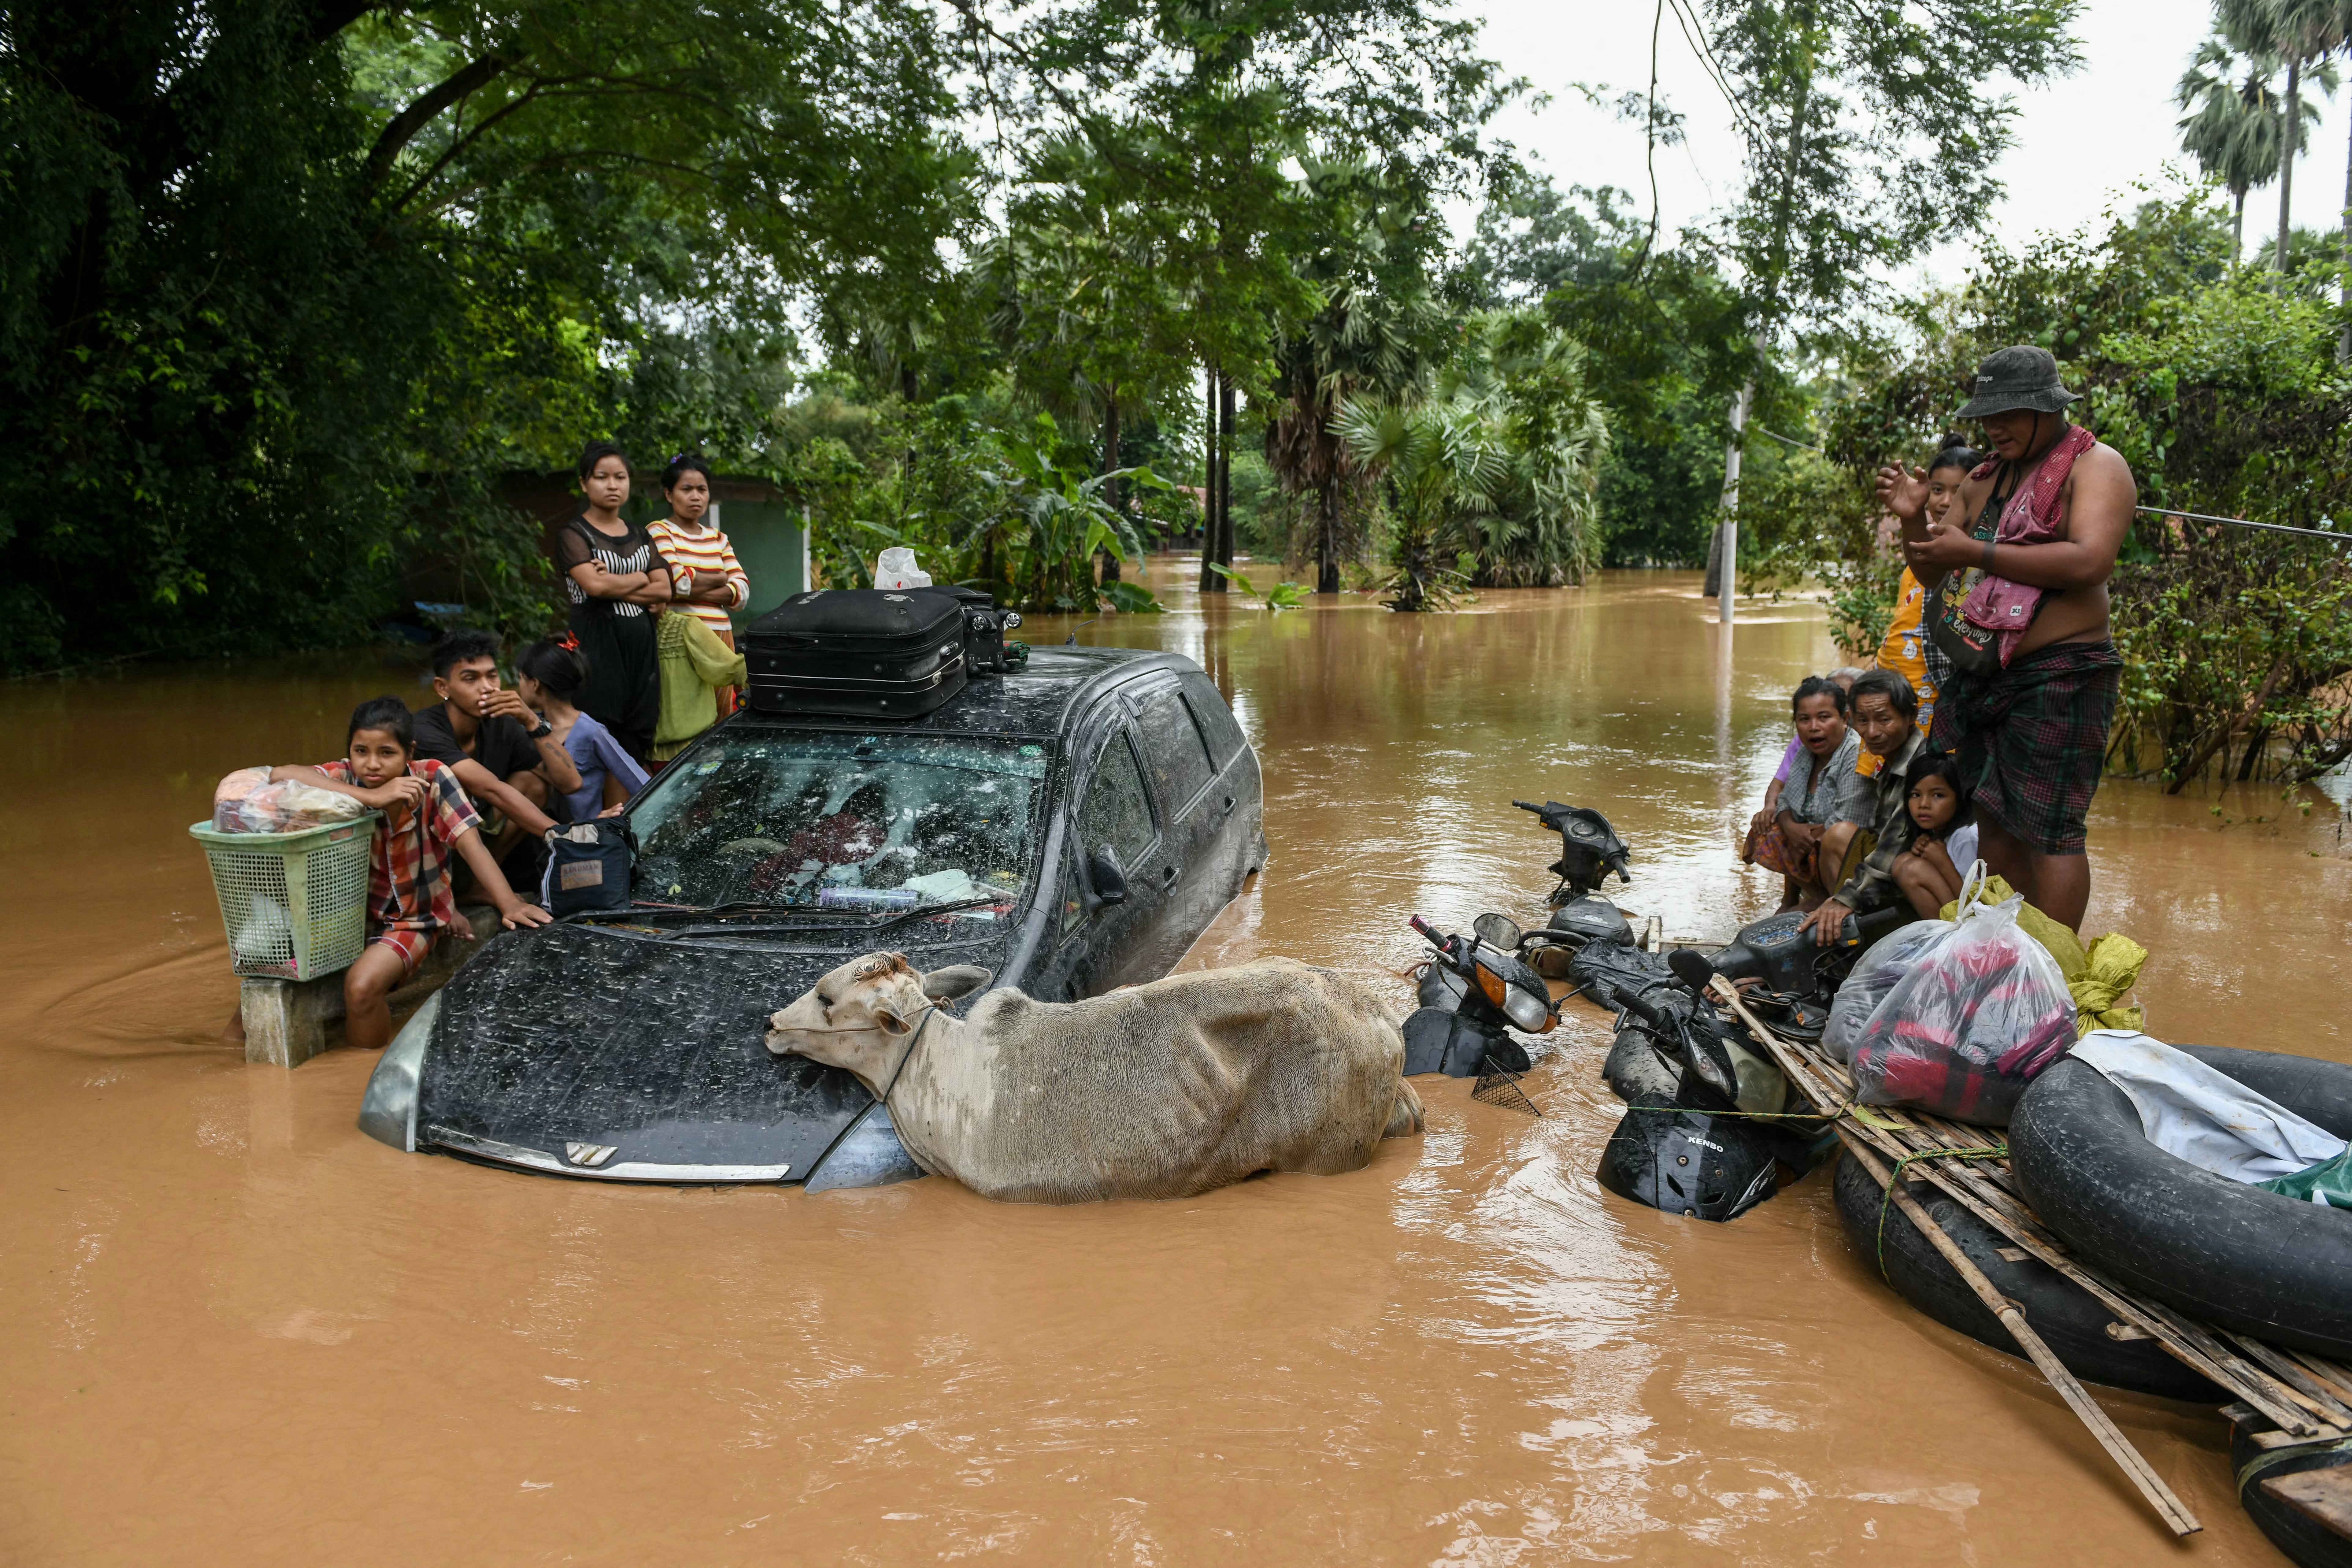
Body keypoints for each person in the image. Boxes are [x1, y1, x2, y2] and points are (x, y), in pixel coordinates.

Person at [1876, 345, 2135, 932]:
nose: (1995, 427)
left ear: (2049, 408)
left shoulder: (2096, 466)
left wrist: (1972, 550)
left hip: (2062, 672)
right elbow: (1934, 572)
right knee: (1993, 817)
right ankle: (2006, 951)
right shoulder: (1984, 478)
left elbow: (2090, 561)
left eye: (2011, 413)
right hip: (1987, 672)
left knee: (2052, 830)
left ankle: (2055, 968)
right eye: (1987, 416)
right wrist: (1915, 519)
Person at [269, 698, 551, 1050]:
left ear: (409, 753)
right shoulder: (349, 778)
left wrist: (509, 903)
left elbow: (471, 844)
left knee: (361, 988)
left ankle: (360, 1074)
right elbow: (280, 775)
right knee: (264, 984)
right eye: (361, 751)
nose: (372, 764)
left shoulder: (432, 777)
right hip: (352, 918)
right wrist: (369, 797)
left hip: (414, 919)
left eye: (387, 753)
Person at [410, 630, 579, 863]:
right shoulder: (425, 730)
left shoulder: (502, 723)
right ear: (442, 688)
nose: (487, 688)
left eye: (492, 676)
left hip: (479, 829)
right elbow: (491, 789)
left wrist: (531, 721)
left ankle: (481, 885)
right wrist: (563, 835)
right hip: (431, 841)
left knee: (534, 784)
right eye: (471, 679)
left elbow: (571, 783)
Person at [555, 442, 669, 763]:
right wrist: (639, 578)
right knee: (601, 732)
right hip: (597, 648)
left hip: (641, 652)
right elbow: (593, 587)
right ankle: (599, 812)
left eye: (620, 477)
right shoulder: (574, 535)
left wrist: (614, 584)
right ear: (584, 483)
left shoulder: (640, 535)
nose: (612, 485)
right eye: (601, 477)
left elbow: (664, 590)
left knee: (639, 731)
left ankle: (631, 810)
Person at [1802, 670, 1928, 943]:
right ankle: (1850, 929)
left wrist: (1845, 899)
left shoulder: (1922, 769)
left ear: (1910, 717)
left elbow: (1894, 847)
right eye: (1862, 720)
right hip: (1899, 868)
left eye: (1884, 719)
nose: (1871, 732)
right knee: (1838, 835)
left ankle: (1861, 932)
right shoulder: (1892, 760)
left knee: (1840, 837)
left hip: (1920, 876)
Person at [1873, 439, 1982, 741]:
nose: (1945, 501)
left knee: (1932, 780)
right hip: (1893, 699)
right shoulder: (1919, 554)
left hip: (1939, 702)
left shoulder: (1978, 556)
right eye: (1937, 490)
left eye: (1959, 492)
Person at [644, 453, 750, 717]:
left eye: (702, 489)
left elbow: (742, 594)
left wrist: (690, 583)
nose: (696, 496)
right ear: (669, 495)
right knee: (687, 713)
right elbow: (675, 582)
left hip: (721, 637)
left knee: (722, 712)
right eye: (687, 489)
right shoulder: (659, 531)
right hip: (682, 637)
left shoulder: (718, 538)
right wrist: (719, 578)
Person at [1745, 676, 1861, 909]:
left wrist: (1805, 834)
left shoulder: (1854, 752)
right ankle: (1814, 897)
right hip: (1808, 838)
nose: (1813, 727)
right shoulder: (1805, 750)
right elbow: (1785, 798)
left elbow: (1847, 817)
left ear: (1845, 719)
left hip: (1843, 849)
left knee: (1832, 837)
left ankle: (1835, 902)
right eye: (1804, 719)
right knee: (1763, 826)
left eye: (1824, 717)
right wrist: (1791, 828)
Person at [513, 636, 650, 821]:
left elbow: (639, 781)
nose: (519, 685)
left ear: (535, 684)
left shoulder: (591, 731)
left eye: (521, 678)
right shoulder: (526, 725)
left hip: (581, 841)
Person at [652, 603, 748, 763]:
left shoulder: (687, 627)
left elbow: (734, 668)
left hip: (697, 751)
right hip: (644, 756)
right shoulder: (629, 631)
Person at [1891, 752, 1974, 918]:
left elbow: (1978, 905)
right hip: (1963, 915)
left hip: (1979, 925)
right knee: (1903, 862)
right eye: (1916, 795)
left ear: (1960, 798)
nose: (1923, 805)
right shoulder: (1939, 832)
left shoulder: (1968, 836)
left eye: (1938, 795)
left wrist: (1942, 861)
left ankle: (1948, 940)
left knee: (1914, 870)